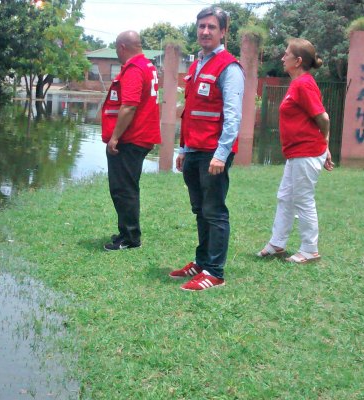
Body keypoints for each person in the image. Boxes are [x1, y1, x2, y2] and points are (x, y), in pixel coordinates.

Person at [169, 7, 245, 290]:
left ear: (223, 32)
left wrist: (221, 155)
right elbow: (191, 111)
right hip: (194, 150)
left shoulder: (230, 67)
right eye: (201, 26)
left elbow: (233, 116)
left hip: (214, 153)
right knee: (200, 209)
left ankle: (215, 271)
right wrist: (183, 149)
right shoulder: (196, 65)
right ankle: (201, 263)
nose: (205, 31)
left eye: (212, 27)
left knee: (214, 211)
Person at [256, 38, 334, 263]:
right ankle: (277, 243)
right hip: (299, 153)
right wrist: (324, 146)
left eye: (286, 54)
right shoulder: (299, 83)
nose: (282, 57)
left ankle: (310, 249)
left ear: (298, 61)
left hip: (306, 152)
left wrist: (324, 144)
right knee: (285, 197)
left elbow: (323, 117)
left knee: (302, 199)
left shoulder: (303, 84)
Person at [101, 31, 161, 251]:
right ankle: (126, 232)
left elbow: (129, 105)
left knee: (123, 188)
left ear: (122, 47)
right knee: (127, 186)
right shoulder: (148, 65)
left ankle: (130, 238)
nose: (117, 53)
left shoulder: (134, 69)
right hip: (141, 135)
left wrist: (114, 137)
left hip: (132, 138)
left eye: (116, 49)